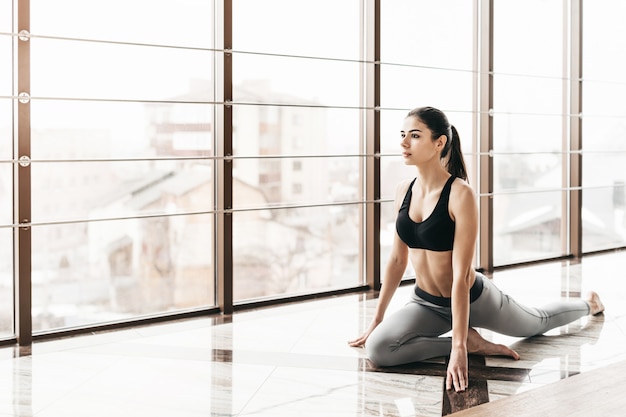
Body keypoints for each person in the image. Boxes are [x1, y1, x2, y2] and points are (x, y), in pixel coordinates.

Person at [348, 106, 604, 393]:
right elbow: (396, 259)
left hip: (473, 299)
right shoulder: (403, 190)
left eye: (415, 136)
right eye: (403, 135)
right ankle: (473, 342)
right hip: (425, 303)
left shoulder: (460, 194)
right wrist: (377, 320)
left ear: (439, 142)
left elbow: (460, 275)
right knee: (379, 348)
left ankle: (589, 304)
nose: (404, 143)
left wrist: (458, 347)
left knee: (536, 322)